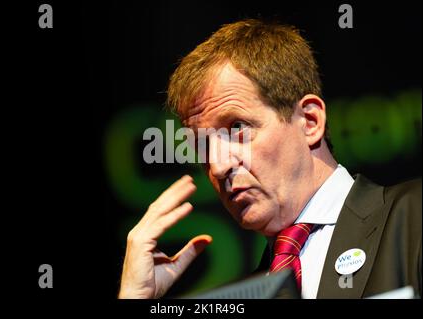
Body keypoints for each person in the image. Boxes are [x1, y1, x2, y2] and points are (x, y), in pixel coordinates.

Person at [118, 19, 421, 299]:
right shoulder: (246, 294)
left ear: (310, 121)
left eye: (237, 128)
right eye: (203, 146)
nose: (219, 165)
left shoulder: (412, 217)